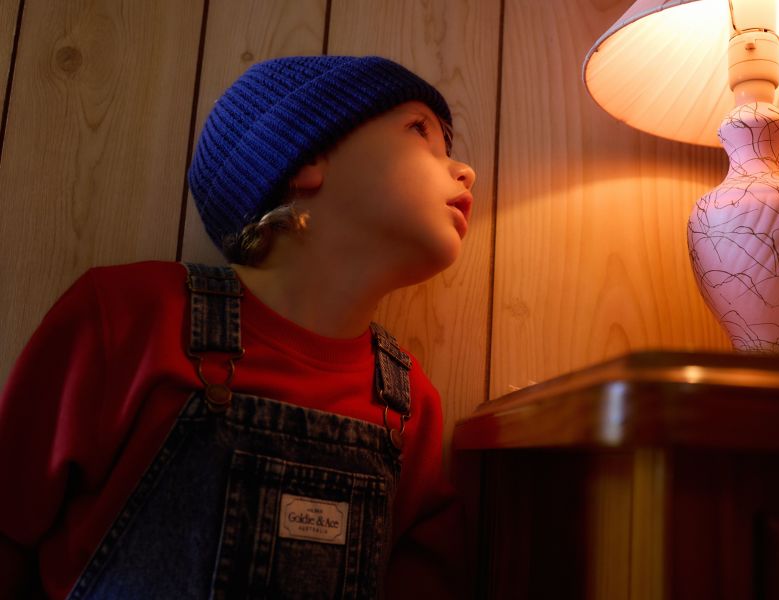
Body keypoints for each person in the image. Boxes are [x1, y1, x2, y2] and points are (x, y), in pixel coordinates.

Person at [0, 55, 476, 599]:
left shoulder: (410, 404)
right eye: (420, 131)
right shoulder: (127, 319)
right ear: (306, 158)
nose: (466, 171)